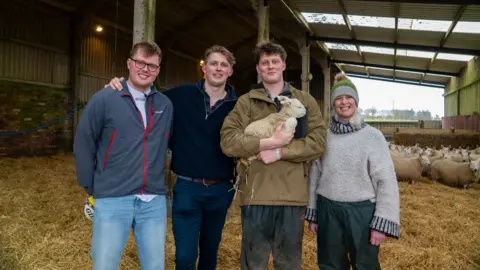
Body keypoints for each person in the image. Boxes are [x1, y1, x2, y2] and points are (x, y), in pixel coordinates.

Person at [106, 45, 238, 270]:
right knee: (185, 255)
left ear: (230, 71)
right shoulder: (181, 95)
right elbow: (145, 98)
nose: (218, 68)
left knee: (210, 252)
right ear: (204, 68)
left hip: (220, 189)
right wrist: (117, 87)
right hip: (187, 187)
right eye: (214, 63)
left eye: (224, 65)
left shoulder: (238, 106)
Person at [220, 41, 327, 270]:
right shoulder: (246, 102)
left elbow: (318, 143)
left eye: (274, 62)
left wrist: (279, 152)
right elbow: (228, 141)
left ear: (283, 65)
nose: (270, 66)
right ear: (258, 68)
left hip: (291, 195)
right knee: (253, 263)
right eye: (265, 62)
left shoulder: (304, 101)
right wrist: (265, 143)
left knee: (288, 263)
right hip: (256, 194)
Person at [73, 41, 173, 270]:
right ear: (129, 64)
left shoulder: (165, 105)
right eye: (140, 62)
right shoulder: (105, 98)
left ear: (158, 71)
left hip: (153, 201)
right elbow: (84, 141)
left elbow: (168, 143)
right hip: (112, 197)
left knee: (155, 265)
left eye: (152, 66)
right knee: (105, 264)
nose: (145, 69)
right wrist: (91, 186)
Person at [304, 73, 400, 270]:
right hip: (328, 209)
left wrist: (382, 221)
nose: (344, 102)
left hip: (362, 212)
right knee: (330, 264)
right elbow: (315, 174)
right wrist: (313, 212)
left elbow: (386, 180)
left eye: (349, 97)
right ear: (333, 103)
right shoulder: (325, 136)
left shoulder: (373, 137)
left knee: (365, 264)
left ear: (356, 101)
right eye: (339, 98)